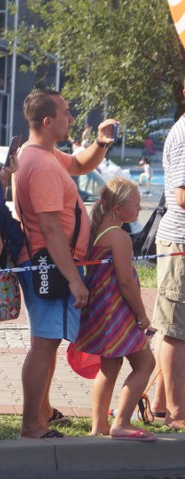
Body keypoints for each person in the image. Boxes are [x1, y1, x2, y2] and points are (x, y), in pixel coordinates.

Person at [13, 89, 117, 439]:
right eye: (66, 113)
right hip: (52, 265)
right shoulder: (40, 164)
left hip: (52, 263)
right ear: (48, 120)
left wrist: (101, 142)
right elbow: (50, 228)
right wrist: (74, 279)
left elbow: (82, 164)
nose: (71, 119)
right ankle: (31, 425)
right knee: (43, 344)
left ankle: (41, 413)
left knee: (50, 340)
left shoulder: (46, 155)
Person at [74, 177, 155, 440]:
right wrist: (141, 315)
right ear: (117, 209)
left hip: (102, 311)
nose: (139, 209)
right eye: (136, 204)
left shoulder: (97, 232)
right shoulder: (119, 236)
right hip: (117, 312)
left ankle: (99, 425)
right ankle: (121, 422)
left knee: (109, 368)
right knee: (145, 362)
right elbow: (127, 281)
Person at [153, 89, 185, 430]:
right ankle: (178, 415)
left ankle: (163, 404)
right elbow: (182, 195)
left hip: (177, 241)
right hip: (180, 242)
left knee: (173, 325)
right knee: (177, 329)